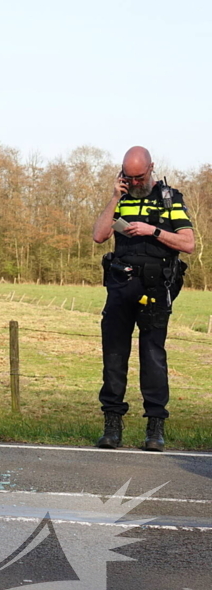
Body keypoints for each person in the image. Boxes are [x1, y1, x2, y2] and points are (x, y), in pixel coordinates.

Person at [92, 146, 194, 451]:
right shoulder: (120, 200)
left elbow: (188, 243)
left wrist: (153, 231)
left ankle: (155, 428)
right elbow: (99, 235)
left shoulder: (170, 199)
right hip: (120, 288)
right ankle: (112, 427)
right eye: (128, 176)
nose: (134, 182)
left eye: (139, 176)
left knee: (152, 358)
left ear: (151, 168)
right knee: (113, 356)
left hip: (155, 290)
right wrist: (114, 198)